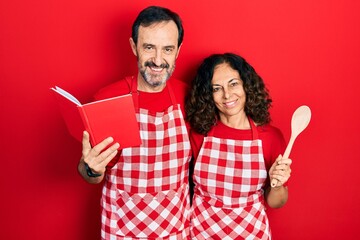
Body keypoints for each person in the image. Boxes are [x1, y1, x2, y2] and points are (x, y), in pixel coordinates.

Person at [78, 6, 192, 239]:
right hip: (122, 230)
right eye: (149, 47)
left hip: (176, 230)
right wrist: (91, 168)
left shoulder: (190, 97)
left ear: (178, 51)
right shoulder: (107, 99)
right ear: (134, 47)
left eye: (167, 49)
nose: (158, 60)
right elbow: (89, 173)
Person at [186, 53, 292, 239]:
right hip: (201, 233)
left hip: (251, 233)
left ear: (246, 84)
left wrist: (277, 185)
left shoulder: (270, 137)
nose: (227, 95)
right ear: (208, 95)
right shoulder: (198, 133)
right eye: (216, 88)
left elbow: (276, 202)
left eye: (233, 83)